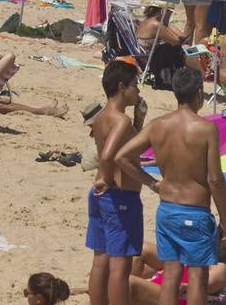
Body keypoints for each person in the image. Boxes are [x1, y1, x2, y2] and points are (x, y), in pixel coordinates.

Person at [106, 66, 226, 305]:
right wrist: (224, 217)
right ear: (199, 93)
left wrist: (152, 183)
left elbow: (121, 156)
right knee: (197, 274)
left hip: (167, 210)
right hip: (195, 212)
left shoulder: (158, 125)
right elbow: (215, 179)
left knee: (171, 272)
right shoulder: (205, 129)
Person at [89, 59, 147, 305]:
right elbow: (108, 154)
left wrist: (139, 121)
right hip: (120, 196)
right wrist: (105, 175)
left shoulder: (104, 116)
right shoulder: (120, 120)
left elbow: (122, 145)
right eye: (135, 85)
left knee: (100, 259)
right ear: (122, 87)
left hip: (101, 197)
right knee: (120, 267)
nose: (138, 90)